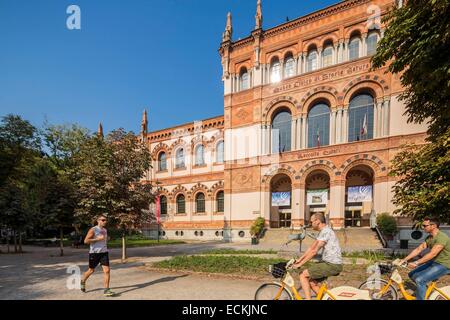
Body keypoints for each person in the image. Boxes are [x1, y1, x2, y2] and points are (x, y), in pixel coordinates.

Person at [290, 213, 343, 300]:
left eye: (311, 222)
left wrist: (300, 264)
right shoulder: (323, 231)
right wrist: (299, 260)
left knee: (303, 275)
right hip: (329, 263)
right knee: (312, 282)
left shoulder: (326, 231)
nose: (310, 224)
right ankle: (326, 298)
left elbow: (314, 251)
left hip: (332, 264)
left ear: (317, 221)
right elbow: (311, 248)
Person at [400, 217, 450, 300]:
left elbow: (432, 254)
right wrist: (404, 259)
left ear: (433, 226)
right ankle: (424, 291)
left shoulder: (442, 237)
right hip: (434, 263)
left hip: (444, 264)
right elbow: (418, 249)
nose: (423, 227)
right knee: (412, 275)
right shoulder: (429, 238)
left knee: (420, 280)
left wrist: (416, 263)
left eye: (425, 225)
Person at [80, 214, 116, 297]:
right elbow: (86, 241)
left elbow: (104, 240)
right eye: (103, 220)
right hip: (94, 253)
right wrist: (97, 239)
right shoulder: (93, 229)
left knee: (107, 271)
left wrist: (107, 239)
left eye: (105, 220)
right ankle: (83, 280)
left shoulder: (105, 230)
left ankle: (106, 290)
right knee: (91, 270)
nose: (104, 221)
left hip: (104, 252)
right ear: (98, 221)